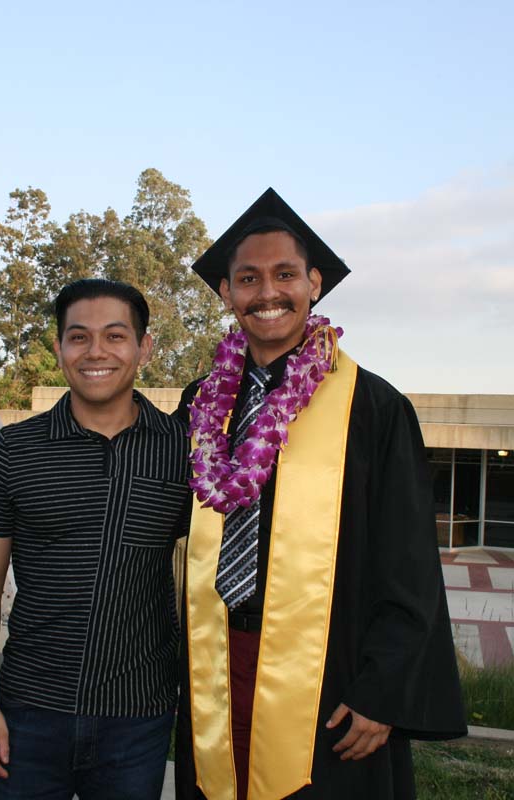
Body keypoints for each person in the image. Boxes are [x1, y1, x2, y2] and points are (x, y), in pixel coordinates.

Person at [174, 189, 466, 800]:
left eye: (285, 274)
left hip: (330, 670)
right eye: (248, 279)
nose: (267, 292)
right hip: (215, 658)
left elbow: (408, 561)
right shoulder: (200, 404)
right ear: (227, 294)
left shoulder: (374, 407)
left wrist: (381, 690)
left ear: (315, 284)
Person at [0, 279, 191, 800]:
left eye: (115, 335)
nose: (96, 352)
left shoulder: (184, 452)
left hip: (138, 719)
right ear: (60, 347)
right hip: (27, 715)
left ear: (143, 347)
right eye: (79, 337)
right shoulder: (12, 452)